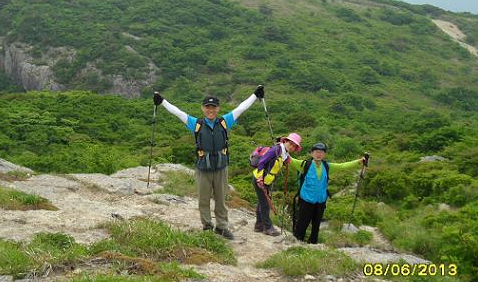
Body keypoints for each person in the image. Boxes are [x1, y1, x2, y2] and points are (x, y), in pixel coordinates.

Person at [153, 85, 264, 239]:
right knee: (203, 199)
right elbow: (178, 113)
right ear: (203, 108)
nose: (210, 110)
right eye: (207, 107)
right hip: (202, 169)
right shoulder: (196, 124)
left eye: (213, 107)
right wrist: (162, 101)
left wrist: (255, 95)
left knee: (221, 200)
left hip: (220, 168)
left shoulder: (224, 122)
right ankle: (207, 225)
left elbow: (240, 109)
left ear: (218, 109)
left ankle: (222, 227)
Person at [291, 142, 367, 244]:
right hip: (306, 201)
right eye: (316, 152)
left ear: (324, 154)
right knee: (302, 224)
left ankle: (312, 244)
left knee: (316, 226)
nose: (319, 154)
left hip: (320, 202)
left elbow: (343, 166)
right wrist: (279, 147)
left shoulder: (327, 166)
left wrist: (359, 161)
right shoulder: (304, 165)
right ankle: (296, 244)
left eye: (321, 152)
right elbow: (289, 160)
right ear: (311, 153)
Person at [252, 133, 303, 236]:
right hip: (260, 179)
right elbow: (262, 162)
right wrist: (260, 178)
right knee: (265, 204)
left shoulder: (284, 153)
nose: (292, 146)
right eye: (291, 143)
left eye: (294, 146)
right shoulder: (277, 149)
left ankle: (259, 225)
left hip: (267, 180)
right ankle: (268, 228)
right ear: (286, 141)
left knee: (262, 202)